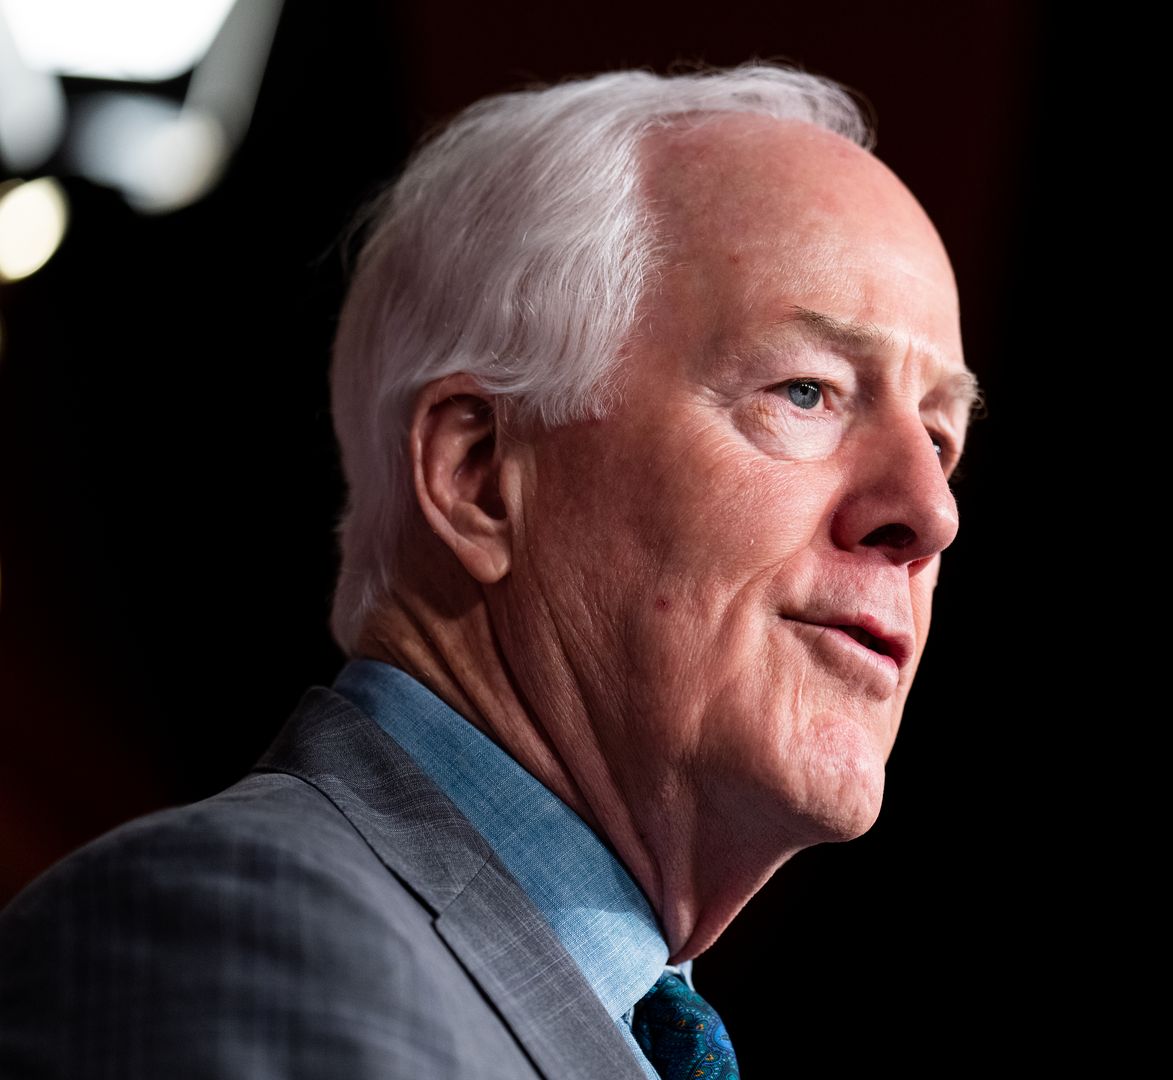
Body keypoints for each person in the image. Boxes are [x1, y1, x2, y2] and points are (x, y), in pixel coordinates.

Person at [0, 63, 978, 1079]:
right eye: (808, 391)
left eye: (944, 438)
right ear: (477, 475)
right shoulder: (234, 938)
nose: (930, 512)